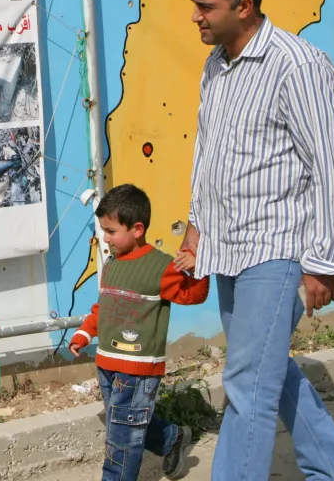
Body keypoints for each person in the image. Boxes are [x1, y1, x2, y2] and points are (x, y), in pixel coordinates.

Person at [179, 0, 334, 481]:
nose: (195, 16)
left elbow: (330, 167)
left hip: (277, 249)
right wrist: (196, 228)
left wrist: (323, 262)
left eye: (205, 6)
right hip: (229, 246)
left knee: (245, 387)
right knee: (263, 368)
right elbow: (209, 154)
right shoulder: (216, 63)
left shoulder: (298, 64)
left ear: (244, 6)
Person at [69, 183, 210, 481]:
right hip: (106, 365)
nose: (104, 238)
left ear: (136, 229)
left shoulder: (162, 268)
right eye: (104, 230)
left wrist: (199, 268)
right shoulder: (111, 264)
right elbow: (103, 307)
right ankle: (171, 438)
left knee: (121, 440)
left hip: (138, 371)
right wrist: (85, 332)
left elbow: (192, 296)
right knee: (125, 424)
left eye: (110, 231)